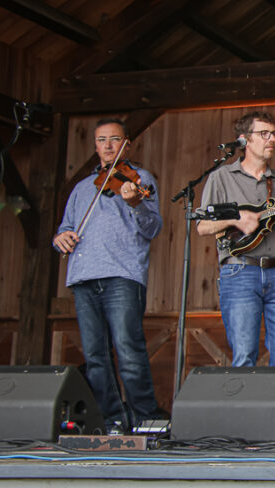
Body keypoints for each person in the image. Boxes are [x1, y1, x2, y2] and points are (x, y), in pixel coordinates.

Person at [53, 118, 162, 433]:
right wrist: (59, 238)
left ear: (126, 144)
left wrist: (136, 203)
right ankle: (112, 420)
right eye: (102, 140)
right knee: (96, 356)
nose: (108, 146)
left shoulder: (139, 179)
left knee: (129, 350)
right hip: (84, 277)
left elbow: (153, 227)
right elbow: (65, 228)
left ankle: (145, 420)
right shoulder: (81, 188)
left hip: (121, 275)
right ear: (96, 145)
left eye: (115, 139)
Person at [197, 111, 275, 367]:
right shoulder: (221, 177)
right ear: (244, 140)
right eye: (263, 134)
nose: (272, 139)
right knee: (244, 356)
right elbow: (202, 226)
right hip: (239, 271)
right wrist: (236, 219)